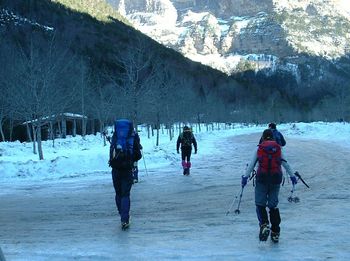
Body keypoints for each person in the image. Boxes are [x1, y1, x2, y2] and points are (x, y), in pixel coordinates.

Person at [241, 129, 298, 243]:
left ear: (262, 137)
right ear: (272, 137)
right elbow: (285, 163)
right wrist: (292, 176)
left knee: (260, 204)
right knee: (273, 206)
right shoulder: (278, 148)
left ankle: (264, 224)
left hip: (262, 179)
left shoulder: (259, 148)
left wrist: (245, 177)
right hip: (276, 179)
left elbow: (251, 164)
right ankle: (275, 232)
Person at [109, 119, 142, 230]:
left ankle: (121, 214)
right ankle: (125, 219)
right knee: (125, 194)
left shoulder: (116, 135)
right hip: (127, 169)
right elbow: (138, 155)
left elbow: (111, 152)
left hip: (116, 169)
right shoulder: (133, 136)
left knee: (118, 193)